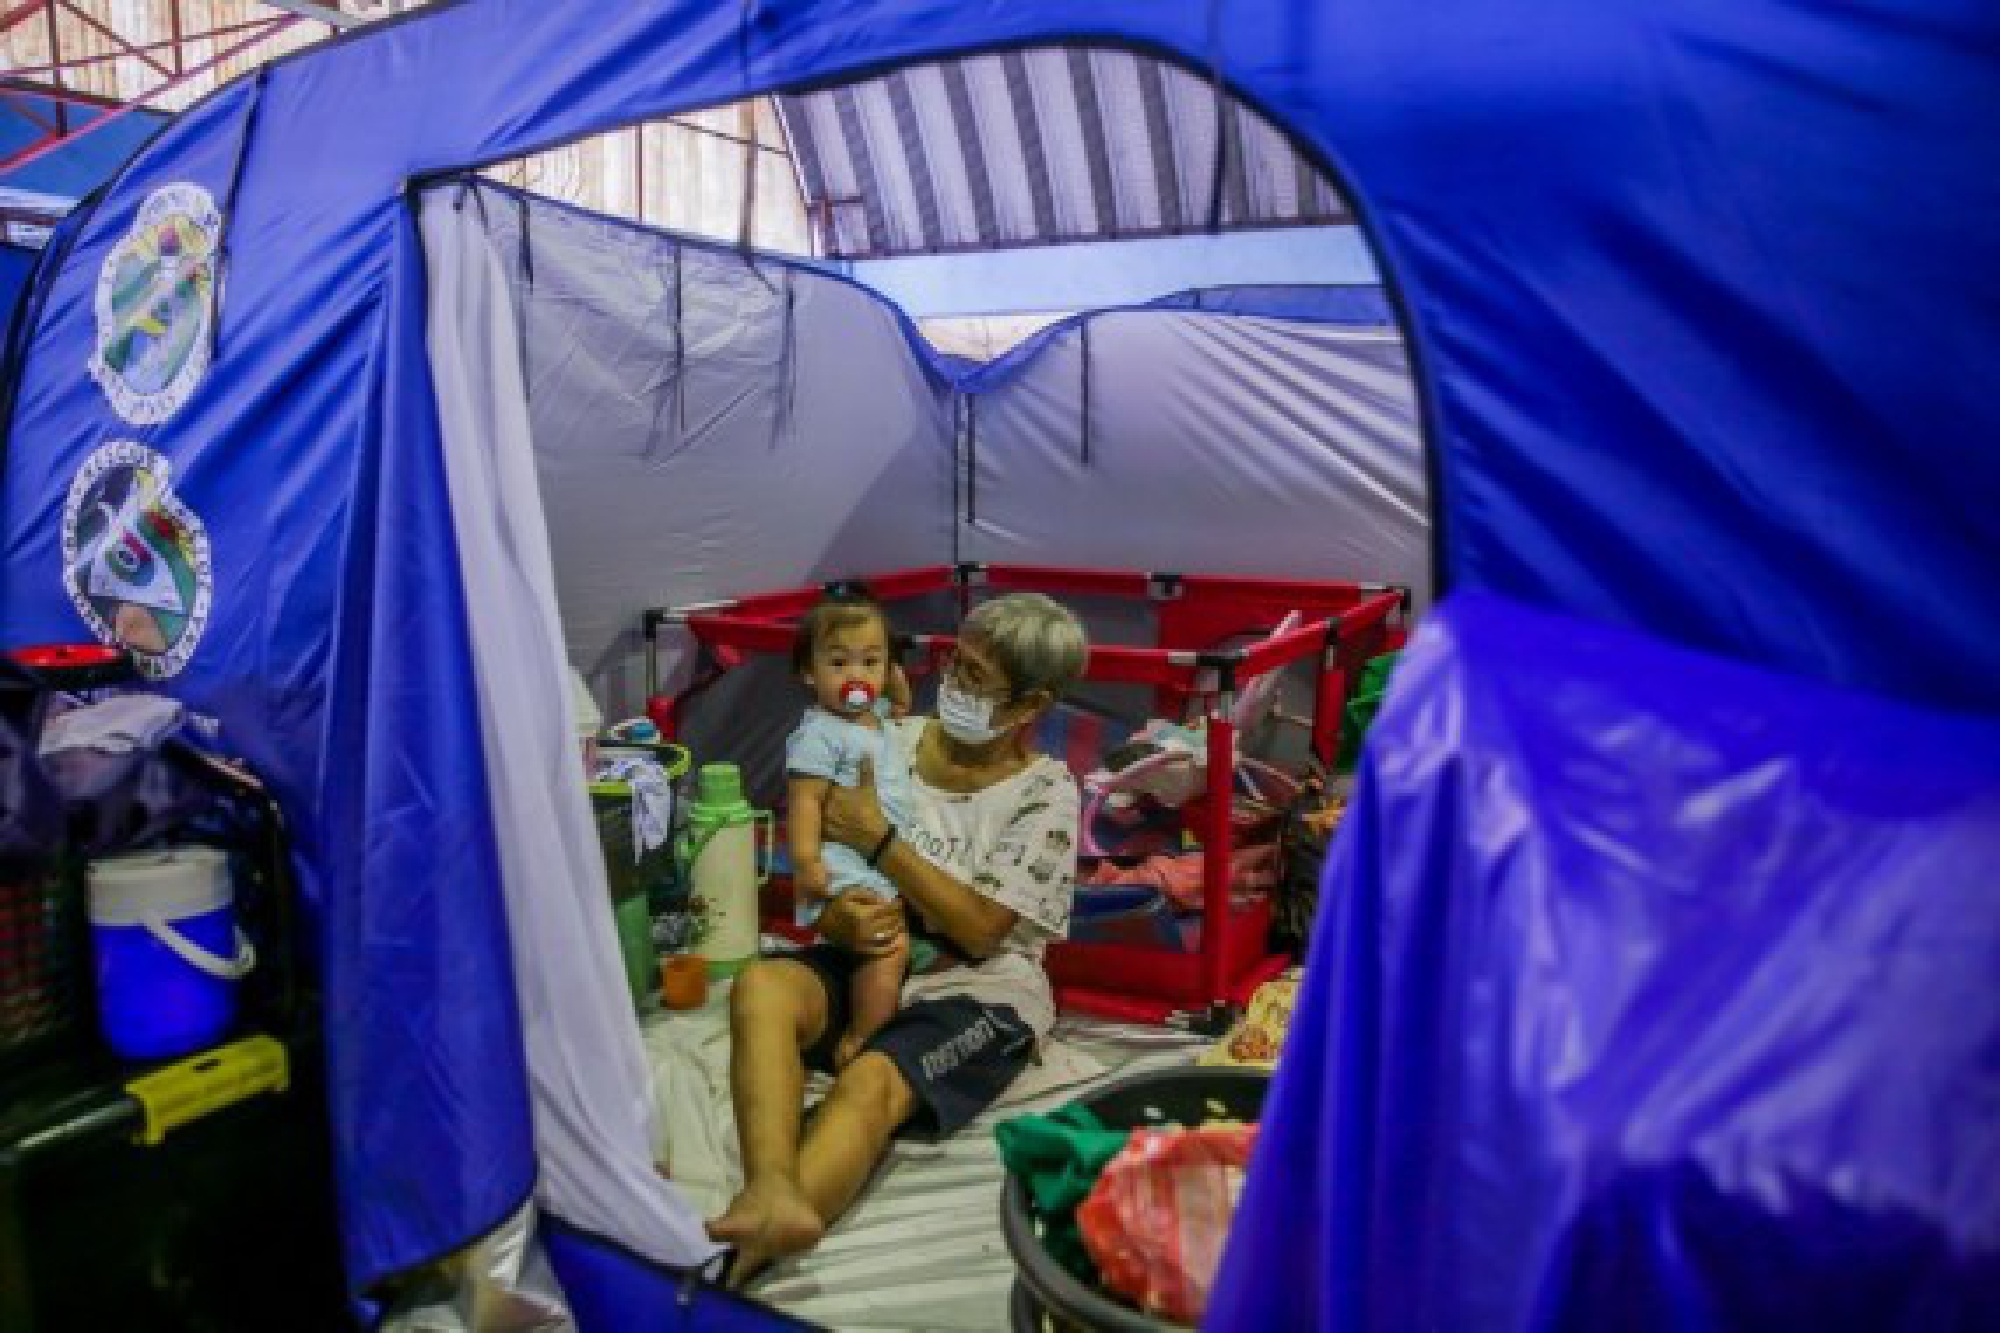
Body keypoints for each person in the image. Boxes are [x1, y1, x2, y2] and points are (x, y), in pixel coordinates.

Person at [707, 592, 1088, 1283]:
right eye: (955, 664)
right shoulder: (894, 739)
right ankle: (770, 1190)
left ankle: (732, 1273)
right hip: (869, 948)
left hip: (974, 983)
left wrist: (878, 836)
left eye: (978, 678)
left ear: (1030, 706)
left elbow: (977, 929)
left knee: (870, 1080)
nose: (955, 686)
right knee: (762, 983)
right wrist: (832, 918)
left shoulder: (1046, 794)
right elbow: (819, 863)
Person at [783, 593, 921, 1070]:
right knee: (887, 946)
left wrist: (895, 681)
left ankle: (857, 1013)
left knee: (882, 942)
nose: (855, 676)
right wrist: (805, 863)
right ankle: (864, 1038)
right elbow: (804, 801)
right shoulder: (820, 733)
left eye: (870, 662)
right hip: (843, 857)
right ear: (808, 673)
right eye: (838, 663)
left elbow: (901, 705)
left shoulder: (875, 717)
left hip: (878, 852)